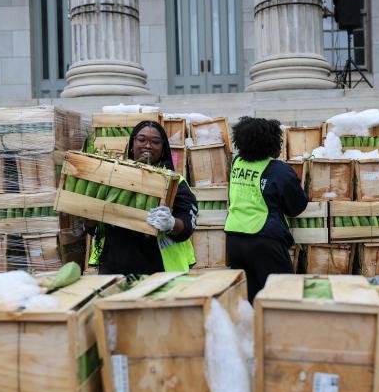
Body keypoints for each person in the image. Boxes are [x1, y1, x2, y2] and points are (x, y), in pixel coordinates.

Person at [88, 120, 198, 275]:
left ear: (163, 149)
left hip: (160, 272)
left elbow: (188, 223)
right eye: (141, 140)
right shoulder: (112, 178)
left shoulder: (175, 183)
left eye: (155, 142)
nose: (148, 145)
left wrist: (171, 224)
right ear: (132, 145)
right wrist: (88, 215)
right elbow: (94, 228)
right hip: (114, 270)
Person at [224, 117, 308, 302]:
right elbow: (296, 207)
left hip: (234, 240)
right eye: (278, 141)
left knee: (249, 299)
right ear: (270, 144)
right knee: (281, 297)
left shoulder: (237, 163)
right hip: (264, 241)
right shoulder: (279, 170)